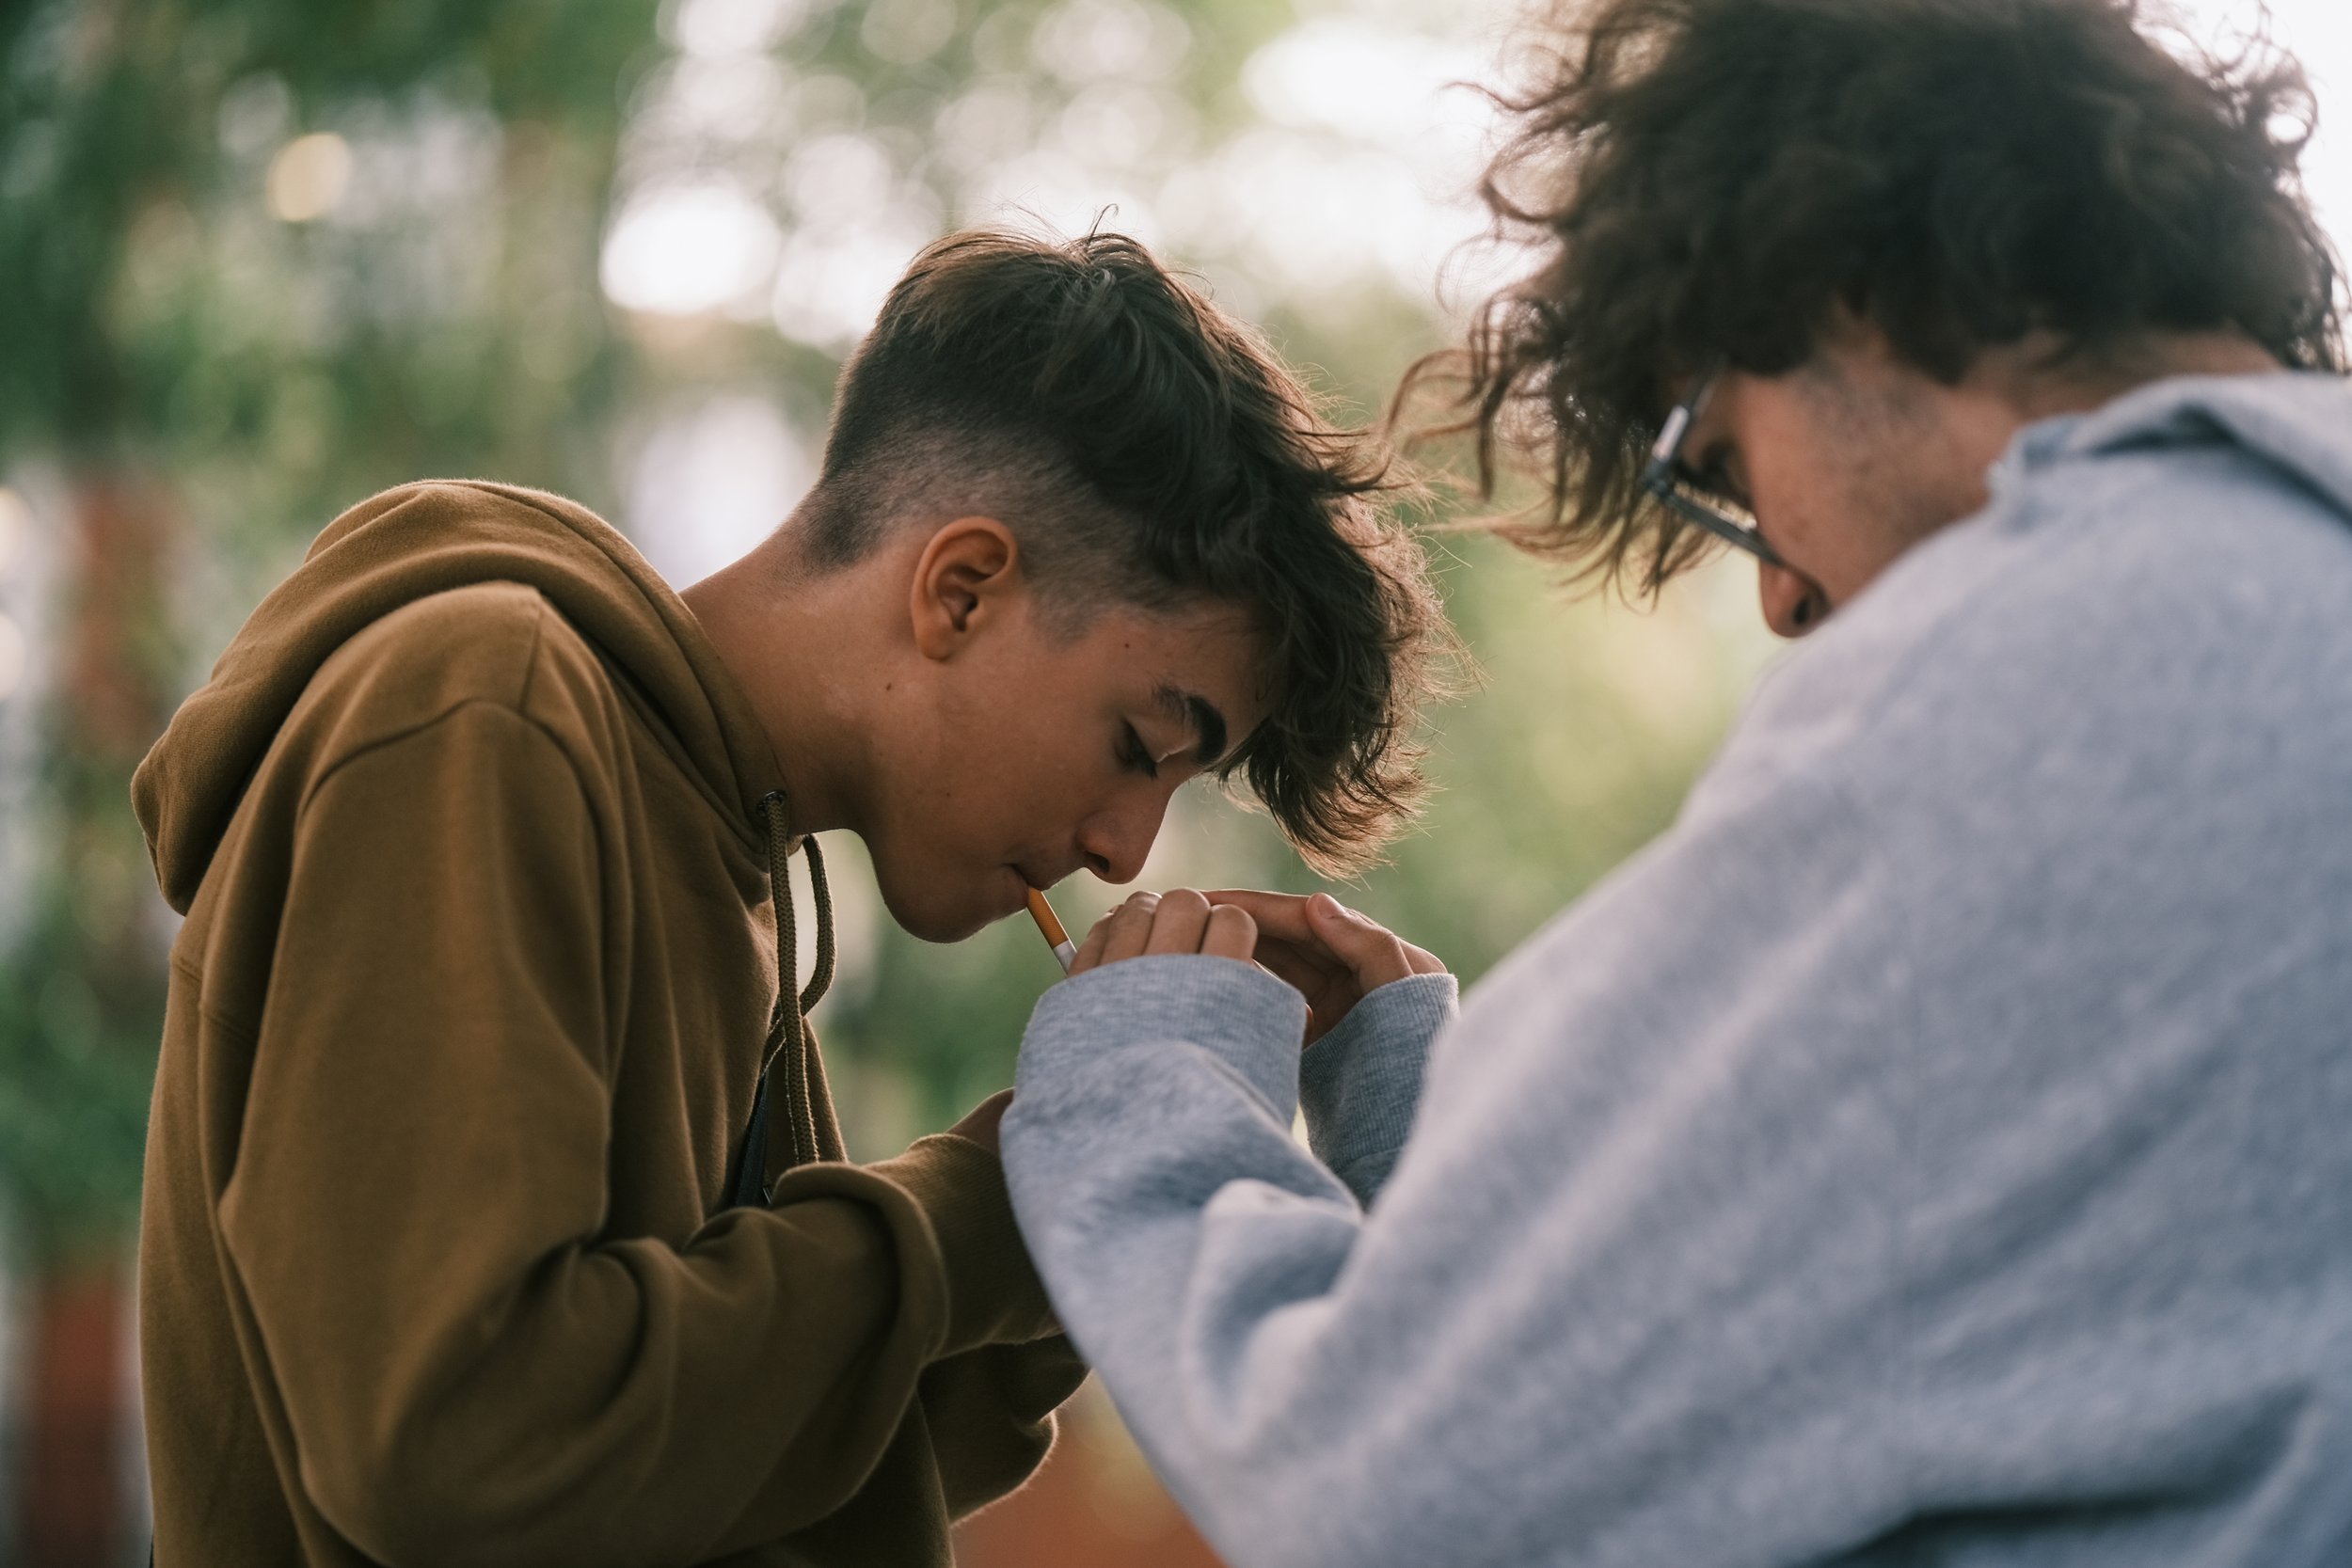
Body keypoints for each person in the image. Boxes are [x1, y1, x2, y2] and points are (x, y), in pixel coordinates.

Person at [997, 3, 2352, 1565]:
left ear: (1828, 281)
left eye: (1717, 460)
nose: (1780, 598)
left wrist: (1141, 1067)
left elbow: (1393, 1487)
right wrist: (1417, 1120)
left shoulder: (2044, 668)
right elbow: (1931, 1303)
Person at [129, 228, 1450, 1566]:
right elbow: (462, 1450)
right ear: (963, 588)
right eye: (1139, 748)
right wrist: (1001, 1195)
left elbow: (756, 1479)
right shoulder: (485, 709)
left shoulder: (727, 853)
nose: (1123, 850)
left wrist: (1102, 1171)